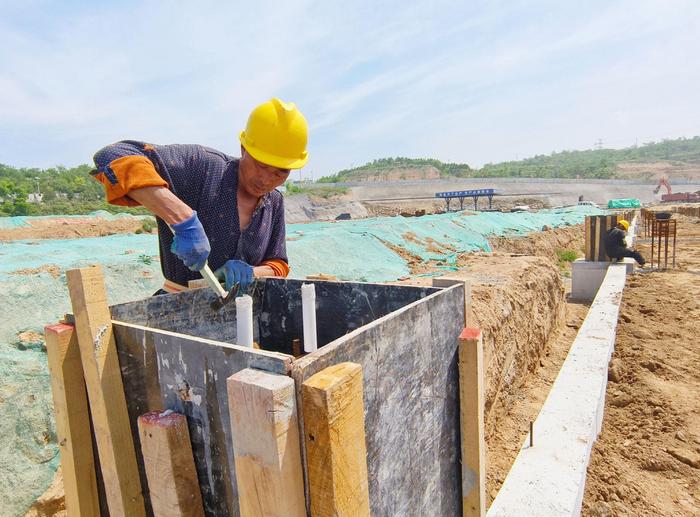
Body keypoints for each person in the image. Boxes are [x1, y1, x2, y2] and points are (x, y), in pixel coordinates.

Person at [91, 98, 308, 294]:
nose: (267, 180)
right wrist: (182, 218)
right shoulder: (201, 167)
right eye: (261, 165)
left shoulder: (274, 202)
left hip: (245, 313)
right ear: (243, 148)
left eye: (281, 172)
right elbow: (113, 155)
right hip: (177, 308)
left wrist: (252, 273)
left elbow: (279, 264)